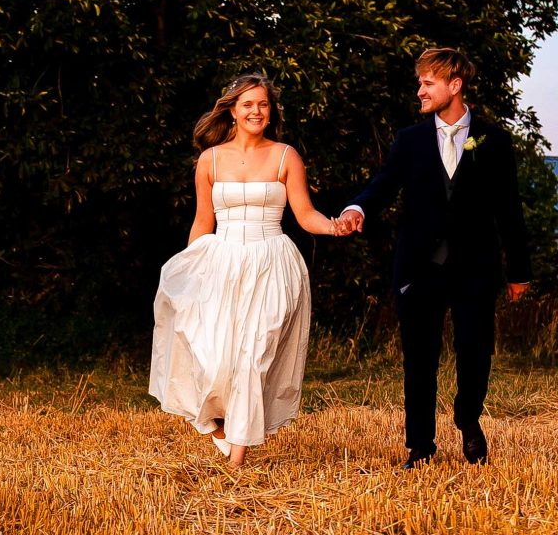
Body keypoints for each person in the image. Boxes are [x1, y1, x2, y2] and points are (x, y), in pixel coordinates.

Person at [330, 48, 532, 467]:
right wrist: (357, 208)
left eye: (428, 83)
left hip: (475, 268)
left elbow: (509, 208)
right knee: (418, 359)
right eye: (420, 82)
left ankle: (468, 418)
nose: (419, 90)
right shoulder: (410, 140)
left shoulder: (493, 138)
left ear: (454, 86)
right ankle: (419, 447)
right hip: (419, 268)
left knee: (476, 351)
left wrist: (519, 271)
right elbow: (383, 185)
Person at [150, 73, 349, 468]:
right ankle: (221, 430)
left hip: (271, 261)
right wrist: (192, 274)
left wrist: (333, 225)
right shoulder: (209, 160)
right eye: (248, 104)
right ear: (233, 110)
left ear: (270, 111)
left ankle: (235, 463)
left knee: (255, 355)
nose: (256, 111)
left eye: (263, 104)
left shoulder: (285, 156)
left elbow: (305, 214)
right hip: (222, 261)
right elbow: (203, 220)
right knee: (212, 357)